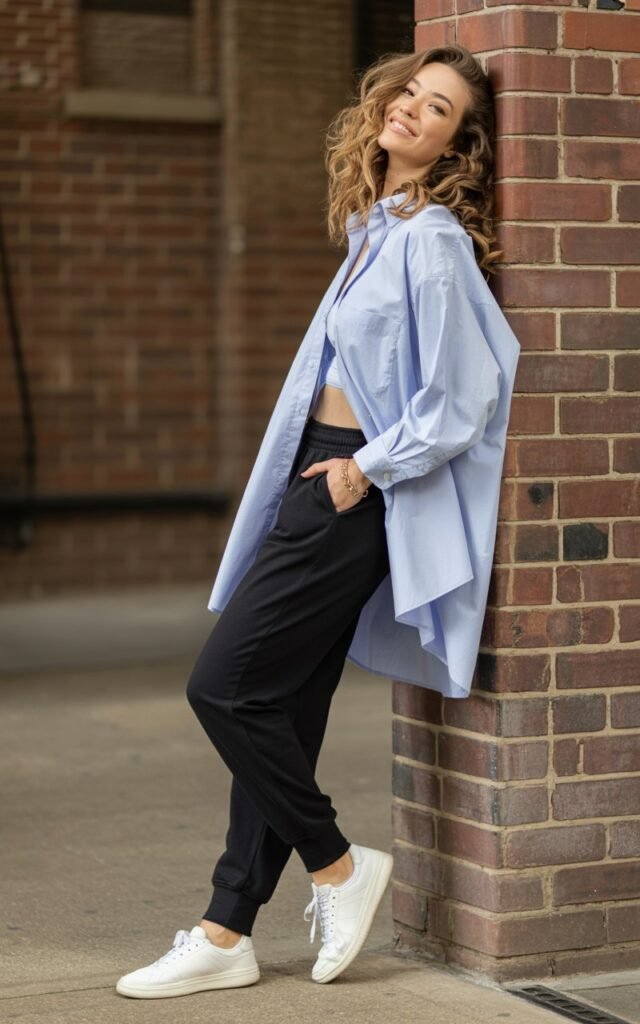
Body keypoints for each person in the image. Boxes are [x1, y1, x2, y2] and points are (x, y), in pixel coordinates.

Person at [116, 43, 520, 1000]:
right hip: (324, 475)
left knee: (224, 687)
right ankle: (226, 930)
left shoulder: (430, 239)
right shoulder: (374, 227)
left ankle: (339, 867)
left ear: (459, 145)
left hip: (350, 492)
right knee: (283, 706)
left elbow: (461, 395)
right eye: (411, 95)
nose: (414, 114)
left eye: (441, 110)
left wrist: (361, 473)